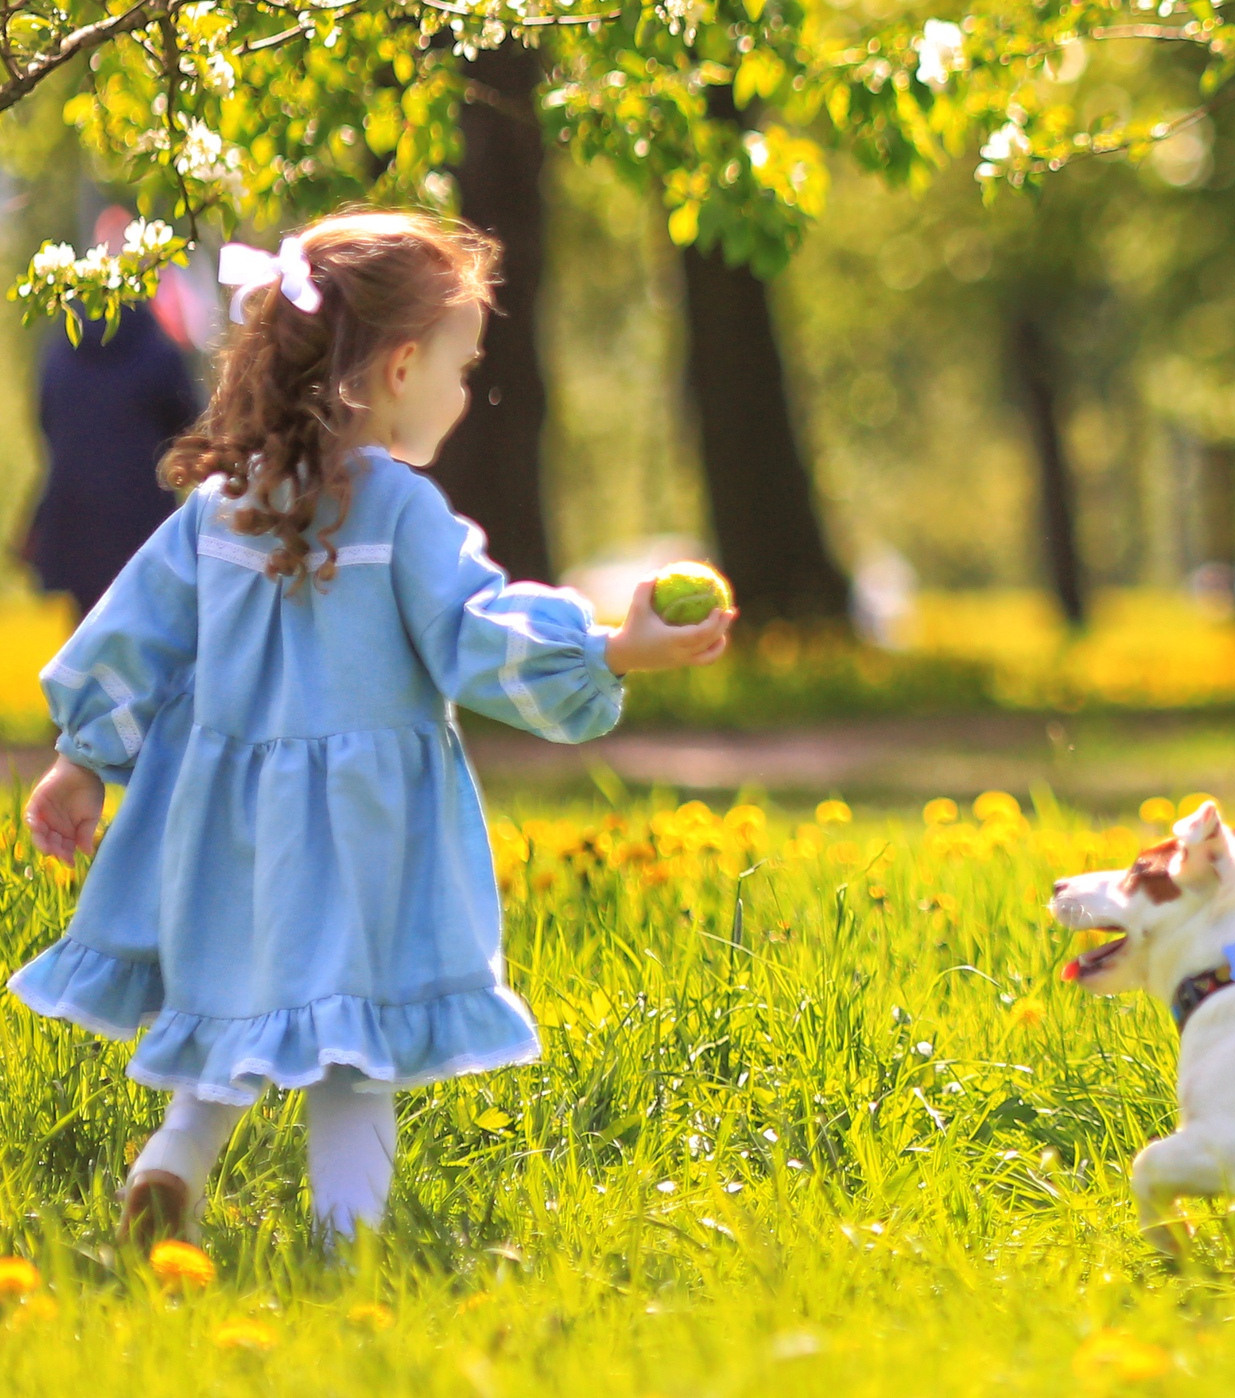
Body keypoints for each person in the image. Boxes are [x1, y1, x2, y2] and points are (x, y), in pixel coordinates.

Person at [10, 210, 734, 1246]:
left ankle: (172, 1158)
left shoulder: (221, 502)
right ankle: (348, 1246)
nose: (466, 391)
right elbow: (478, 638)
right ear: (400, 366)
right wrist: (613, 648)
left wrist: (81, 760)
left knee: (227, 1004)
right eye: (461, 366)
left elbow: (134, 631)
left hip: (225, 822)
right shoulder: (398, 511)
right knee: (355, 1050)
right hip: (362, 829)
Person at [21, 224, 203, 617]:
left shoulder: (59, 355)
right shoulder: (159, 355)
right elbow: (188, 427)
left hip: (74, 515)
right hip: (142, 518)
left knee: (84, 642)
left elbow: (44, 423)